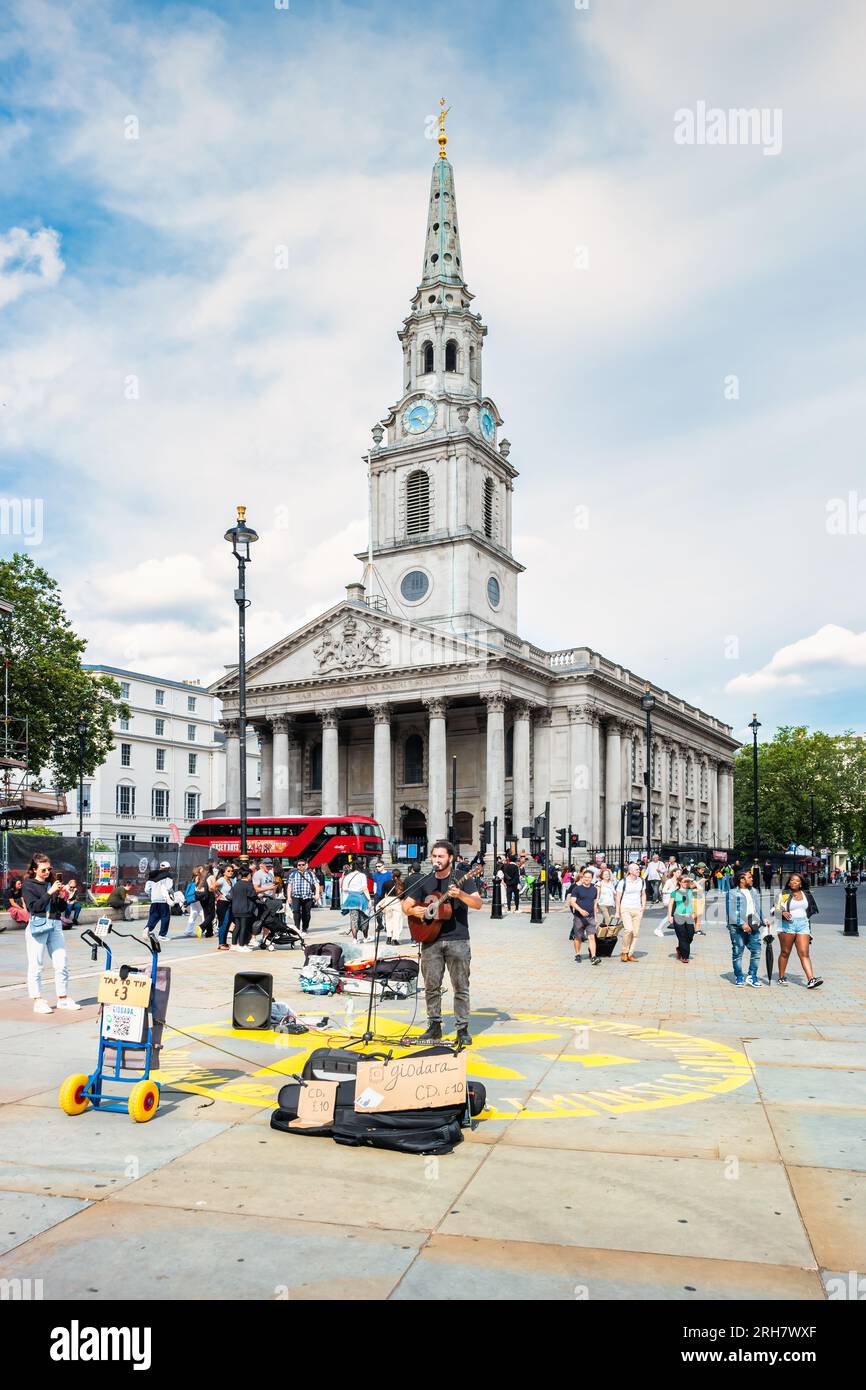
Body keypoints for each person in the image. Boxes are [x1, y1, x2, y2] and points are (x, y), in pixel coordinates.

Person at [402, 839, 481, 1046]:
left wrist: (461, 894)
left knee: (461, 986)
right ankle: (434, 1026)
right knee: (431, 986)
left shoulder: (463, 878)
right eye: (434, 856)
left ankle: (462, 1028)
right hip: (430, 939)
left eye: (441, 856)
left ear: (451, 858)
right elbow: (406, 905)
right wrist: (414, 910)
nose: (436, 860)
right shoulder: (425, 880)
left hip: (458, 940)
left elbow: (478, 904)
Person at [21, 853, 81, 1014]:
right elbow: (34, 907)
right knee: (36, 965)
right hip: (38, 925)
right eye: (43, 870)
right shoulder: (28, 885)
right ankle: (37, 1000)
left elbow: (60, 909)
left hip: (55, 924)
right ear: (34, 870)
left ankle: (62, 998)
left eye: (49, 869)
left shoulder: (52, 884)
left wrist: (61, 897)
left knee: (61, 963)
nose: (47, 872)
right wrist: (50, 892)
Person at [773, 874, 822, 988]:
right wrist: (782, 913)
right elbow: (773, 910)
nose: (794, 882)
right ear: (789, 882)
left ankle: (811, 979)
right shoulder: (783, 894)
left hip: (803, 925)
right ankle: (781, 977)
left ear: (801, 883)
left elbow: (810, 910)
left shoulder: (806, 894)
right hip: (787, 925)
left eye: (797, 881)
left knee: (804, 953)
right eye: (792, 880)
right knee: (785, 952)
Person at [725, 871, 769, 987]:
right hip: (737, 927)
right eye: (749, 877)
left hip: (753, 924)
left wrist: (763, 918)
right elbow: (731, 911)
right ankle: (739, 976)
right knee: (738, 952)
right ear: (741, 880)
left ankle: (752, 976)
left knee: (756, 951)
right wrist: (742, 924)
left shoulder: (753, 891)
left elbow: (757, 907)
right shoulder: (732, 893)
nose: (752, 879)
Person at [566, 867, 599, 964]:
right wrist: (580, 910)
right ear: (582, 877)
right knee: (578, 937)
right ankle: (577, 954)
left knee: (592, 936)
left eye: (589, 877)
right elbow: (572, 902)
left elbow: (595, 904)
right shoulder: (577, 889)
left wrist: (596, 918)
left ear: (592, 878)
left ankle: (593, 956)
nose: (586, 879)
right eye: (585, 877)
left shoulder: (594, 889)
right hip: (579, 917)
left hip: (591, 917)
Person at [615, 862, 646, 962]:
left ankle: (630, 953)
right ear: (630, 871)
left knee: (635, 933)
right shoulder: (623, 882)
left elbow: (643, 894)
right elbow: (618, 898)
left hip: (637, 909)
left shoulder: (641, 881)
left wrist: (643, 906)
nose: (639, 870)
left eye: (639, 869)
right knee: (628, 930)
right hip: (626, 908)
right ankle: (624, 952)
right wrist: (617, 911)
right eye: (637, 869)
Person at [287, 856, 321, 936]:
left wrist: (317, 894)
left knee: (306, 913)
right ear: (297, 866)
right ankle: (297, 928)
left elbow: (316, 884)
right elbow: (289, 886)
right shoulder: (293, 874)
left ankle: (305, 927)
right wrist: (289, 897)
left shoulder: (310, 873)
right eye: (299, 865)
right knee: (296, 912)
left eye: (303, 864)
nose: (301, 866)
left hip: (308, 896)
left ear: (306, 865)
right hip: (296, 896)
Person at [667, 874, 698, 962]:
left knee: (690, 935)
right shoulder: (675, 893)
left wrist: (692, 879)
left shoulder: (690, 891)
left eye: (687, 882)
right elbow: (670, 905)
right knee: (682, 936)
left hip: (689, 917)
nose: (686, 883)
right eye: (684, 881)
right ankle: (685, 957)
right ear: (680, 882)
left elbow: (700, 889)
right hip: (678, 916)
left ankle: (680, 949)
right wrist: (669, 916)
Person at [340, 861, 372, 939]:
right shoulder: (362, 875)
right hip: (361, 899)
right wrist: (369, 899)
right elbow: (364, 888)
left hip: (351, 899)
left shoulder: (348, 876)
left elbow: (344, 889)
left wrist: (352, 890)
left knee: (353, 920)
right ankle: (365, 937)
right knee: (364, 918)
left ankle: (355, 939)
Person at [230, 867, 257, 951]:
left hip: (236, 908)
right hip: (245, 908)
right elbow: (252, 895)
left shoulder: (237, 884)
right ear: (248, 875)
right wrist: (258, 895)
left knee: (237, 927)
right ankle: (241, 945)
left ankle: (234, 944)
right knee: (243, 927)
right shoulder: (248, 884)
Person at [145, 861, 174, 939]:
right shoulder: (168, 875)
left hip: (154, 900)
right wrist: (172, 895)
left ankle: (147, 928)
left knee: (154, 916)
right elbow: (169, 888)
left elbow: (147, 890)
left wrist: (152, 895)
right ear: (168, 868)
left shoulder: (152, 875)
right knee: (165, 917)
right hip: (163, 900)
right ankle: (162, 935)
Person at [377, 869, 406, 944]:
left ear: (392, 875)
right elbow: (403, 896)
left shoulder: (386, 883)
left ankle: (389, 937)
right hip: (397, 902)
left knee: (388, 920)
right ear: (399, 875)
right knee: (397, 921)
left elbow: (382, 895)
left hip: (388, 901)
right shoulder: (402, 883)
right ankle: (395, 939)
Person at [182, 865, 206, 938]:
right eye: (202, 869)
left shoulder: (193, 877)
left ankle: (188, 930)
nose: (203, 870)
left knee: (193, 913)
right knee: (203, 913)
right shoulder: (199, 877)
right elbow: (199, 887)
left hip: (193, 898)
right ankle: (203, 929)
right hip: (198, 898)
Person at [215, 863, 235, 950]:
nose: (231, 872)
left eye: (232, 871)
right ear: (224, 872)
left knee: (228, 924)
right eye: (228, 871)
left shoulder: (232, 880)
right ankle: (221, 943)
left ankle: (224, 942)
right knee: (223, 923)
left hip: (230, 903)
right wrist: (219, 894)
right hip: (222, 903)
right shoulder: (221, 880)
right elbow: (212, 887)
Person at [596, 866, 617, 933]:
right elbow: (597, 894)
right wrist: (596, 903)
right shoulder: (600, 883)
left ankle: (601, 930)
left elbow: (614, 893)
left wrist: (618, 901)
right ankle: (610, 932)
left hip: (610, 903)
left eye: (608, 874)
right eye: (605, 874)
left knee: (606, 918)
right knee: (608, 918)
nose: (607, 876)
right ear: (602, 876)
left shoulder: (611, 883)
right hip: (602, 903)